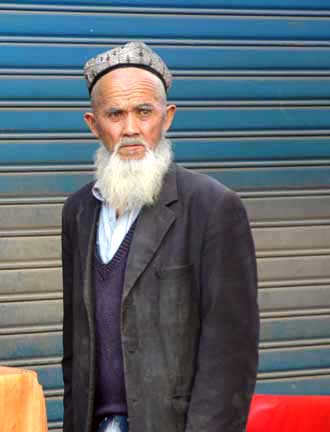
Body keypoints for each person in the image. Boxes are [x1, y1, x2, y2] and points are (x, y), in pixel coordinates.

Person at [61, 41, 259, 432]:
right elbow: (75, 345)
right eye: (115, 114)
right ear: (93, 123)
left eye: (144, 112)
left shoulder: (211, 206)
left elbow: (231, 353)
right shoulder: (79, 211)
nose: (130, 128)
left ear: (166, 118)